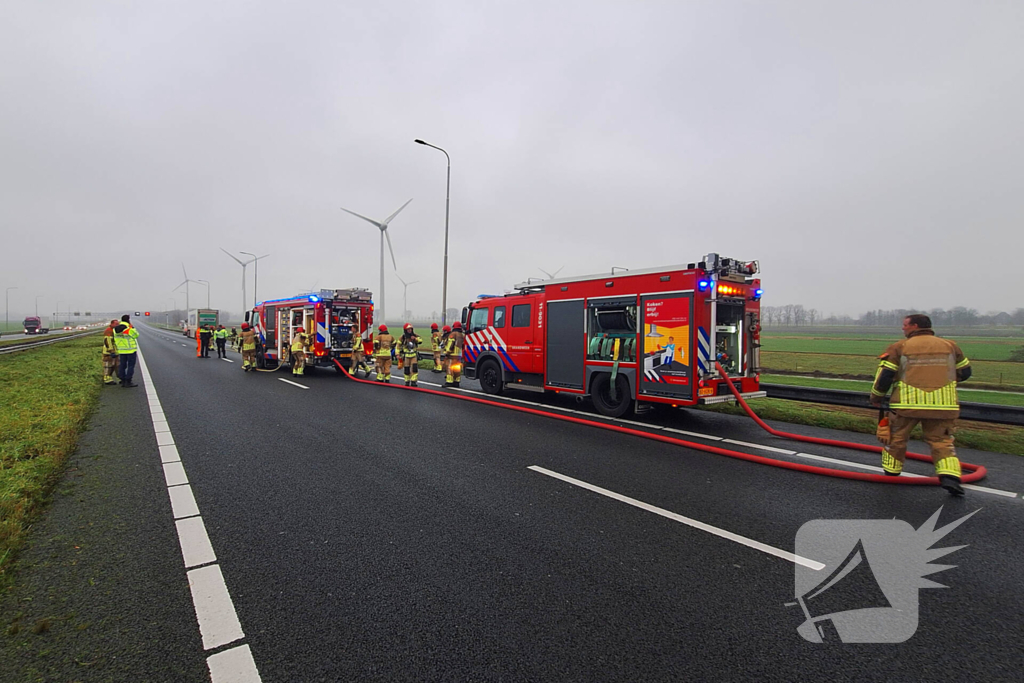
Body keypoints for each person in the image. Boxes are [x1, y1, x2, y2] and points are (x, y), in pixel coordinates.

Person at [870, 314, 972, 496]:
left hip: (907, 405)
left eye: (905, 325)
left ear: (915, 326)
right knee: (942, 441)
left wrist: (876, 397)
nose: (903, 328)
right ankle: (950, 477)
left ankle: (891, 474)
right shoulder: (950, 345)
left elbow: (885, 376)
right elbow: (965, 372)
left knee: (896, 439)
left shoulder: (899, 347)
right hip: (943, 404)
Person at [114, 314, 140, 387]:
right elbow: (136, 335)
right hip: (130, 350)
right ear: (128, 320)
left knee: (122, 365)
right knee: (130, 366)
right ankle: (128, 381)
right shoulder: (128, 329)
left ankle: (122, 380)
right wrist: (132, 327)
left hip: (121, 350)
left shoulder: (115, 329)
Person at [444, 321, 465, 388]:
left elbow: (451, 344)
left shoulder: (453, 334)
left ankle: (449, 381)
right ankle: (456, 381)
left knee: (449, 368)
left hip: (452, 355)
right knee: (457, 368)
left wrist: (447, 352)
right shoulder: (462, 335)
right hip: (459, 355)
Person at [101, 319, 119, 385]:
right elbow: (108, 342)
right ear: (112, 324)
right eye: (116, 324)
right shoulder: (109, 331)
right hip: (108, 352)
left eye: (118, 324)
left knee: (113, 366)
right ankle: (107, 379)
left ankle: (110, 377)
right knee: (108, 366)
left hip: (113, 351)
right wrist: (111, 351)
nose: (117, 325)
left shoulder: (113, 330)